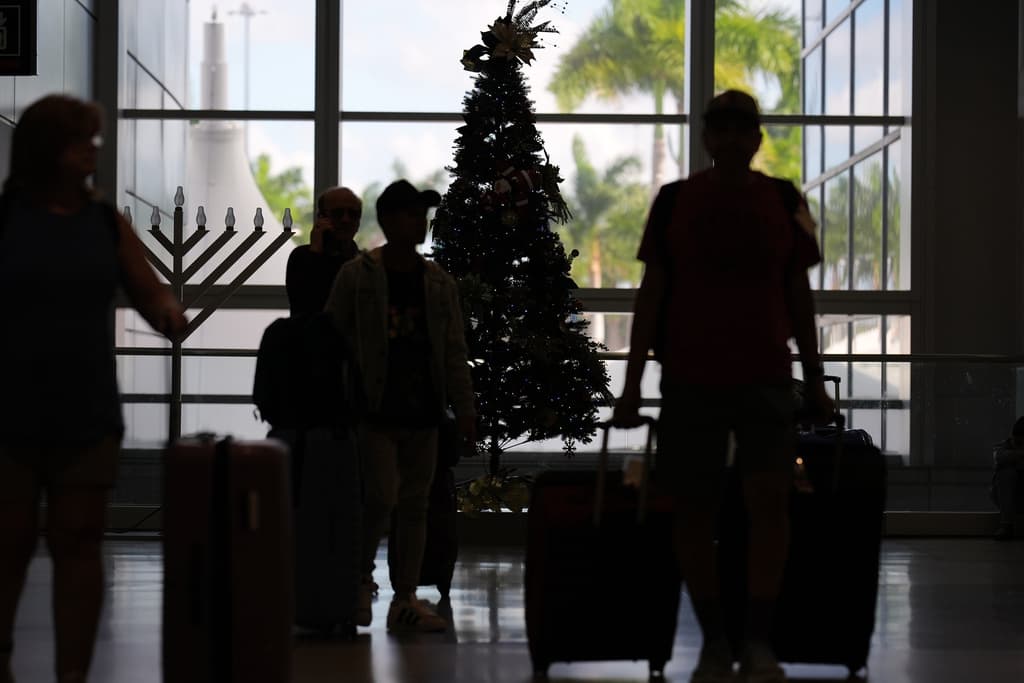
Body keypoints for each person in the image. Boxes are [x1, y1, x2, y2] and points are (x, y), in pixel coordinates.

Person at [613, 90, 834, 683]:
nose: (734, 139)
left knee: (767, 504)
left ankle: (751, 640)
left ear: (757, 139)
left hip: (760, 376)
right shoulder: (675, 201)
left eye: (744, 129)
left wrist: (814, 380)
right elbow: (651, 294)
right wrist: (631, 385)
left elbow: (799, 297)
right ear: (708, 137)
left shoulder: (782, 200)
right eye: (723, 129)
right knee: (698, 509)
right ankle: (721, 640)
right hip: (693, 377)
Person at [0, 95, 187, 683]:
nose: (94, 149)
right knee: (6, 542)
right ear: (47, 147)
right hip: (8, 407)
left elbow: (146, 285)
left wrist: (167, 312)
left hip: (85, 406)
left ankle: (72, 677)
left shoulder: (105, 220)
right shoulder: (5, 217)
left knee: (79, 541)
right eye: (83, 139)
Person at [325, 179, 476, 634]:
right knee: (380, 498)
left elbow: (453, 350)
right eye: (413, 214)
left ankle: (405, 596)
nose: (422, 223)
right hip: (377, 408)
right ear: (390, 220)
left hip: (424, 409)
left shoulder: (438, 282)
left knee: (413, 505)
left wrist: (464, 407)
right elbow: (335, 337)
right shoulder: (359, 276)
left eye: (423, 214)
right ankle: (359, 580)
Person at [285, 186, 362, 317]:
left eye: (353, 214)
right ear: (321, 218)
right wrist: (315, 253)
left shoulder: (363, 263)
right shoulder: (301, 257)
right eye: (338, 213)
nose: (346, 219)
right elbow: (304, 306)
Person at [991, 417, 1024, 540]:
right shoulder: (1006, 446)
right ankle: (1006, 525)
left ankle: (1006, 525)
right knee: (1006, 473)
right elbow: (999, 456)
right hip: (1012, 499)